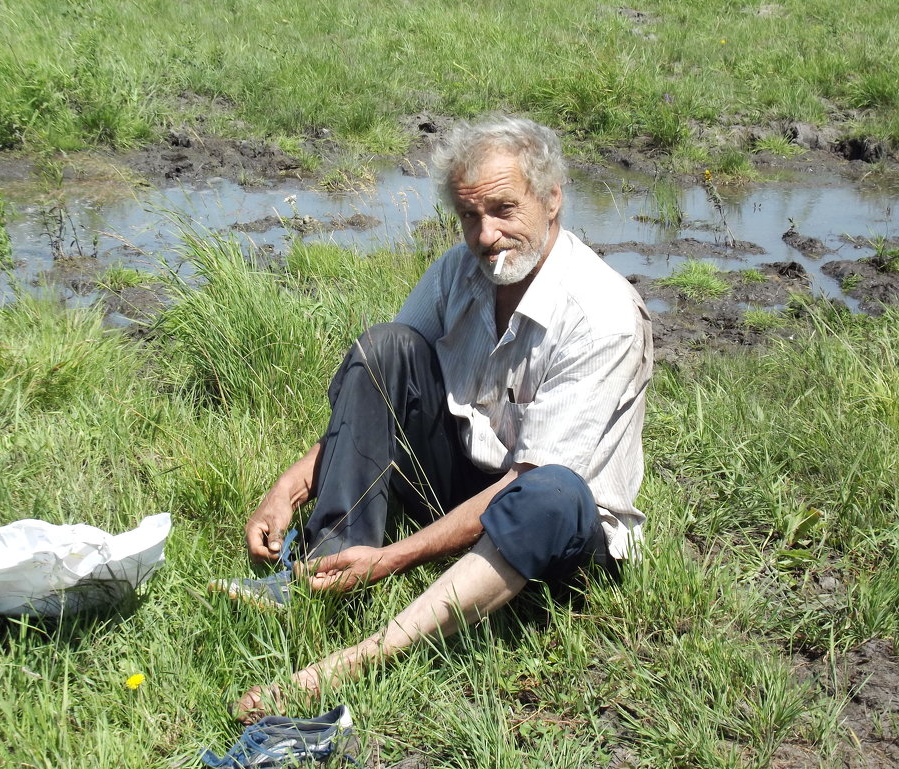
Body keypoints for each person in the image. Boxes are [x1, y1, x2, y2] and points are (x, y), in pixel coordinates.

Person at [220, 114, 653, 720]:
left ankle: (358, 658)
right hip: (469, 480)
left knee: (550, 491)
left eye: (504, 210)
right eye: (469, 216)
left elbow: (529, 480)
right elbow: (381, 384)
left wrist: (394, 559)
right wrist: (290, 486)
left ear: (553, 198)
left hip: (559, 532)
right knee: (385, 347)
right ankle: (323, 569)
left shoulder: (600, 313)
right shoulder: (459, 269)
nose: (486, 236)